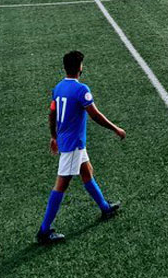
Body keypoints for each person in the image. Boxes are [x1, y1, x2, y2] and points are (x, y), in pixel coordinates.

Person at [36, 50, 125, 244]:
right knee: (62, 183)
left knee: (87, 172)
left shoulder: (58, 88)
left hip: (70, 141)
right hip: (73, 144)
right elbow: (94, 115)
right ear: (80, 68)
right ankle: (43, 231)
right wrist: (115, 128)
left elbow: (52, 113)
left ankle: (105, 208)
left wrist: (53, 136)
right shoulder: (81, 89)